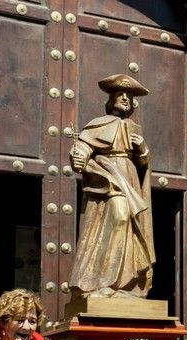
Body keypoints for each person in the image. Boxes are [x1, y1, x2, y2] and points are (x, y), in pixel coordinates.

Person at [69, 73, 157, 297]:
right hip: (108, 175)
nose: (126, 99)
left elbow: (143, 163)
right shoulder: (100, 124)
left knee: (131, 225)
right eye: (121, 94)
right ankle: (101, 280)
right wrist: (78, 155)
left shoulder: (134, 128)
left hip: (129, 177)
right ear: (111, 99)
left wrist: (143, 149)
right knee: (119, 215)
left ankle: (125, 284)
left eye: (129, 96)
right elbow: (83, 146)